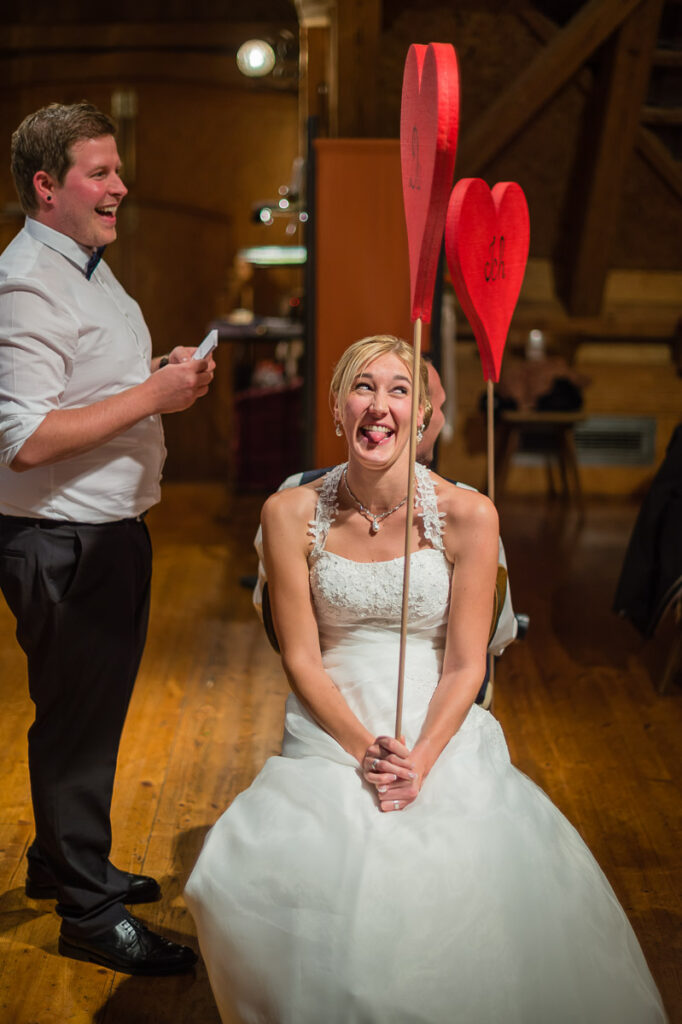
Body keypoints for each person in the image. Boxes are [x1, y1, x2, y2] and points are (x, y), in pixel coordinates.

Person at [186, 336, 666, 1023]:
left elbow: (469, 663)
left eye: (400, 390)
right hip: (333, 716)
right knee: (283, 867)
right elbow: (301, 659)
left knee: (442, 870)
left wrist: (419, 761)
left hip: (439, 717)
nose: (379, 405)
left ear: (425, 420)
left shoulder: (470, 516)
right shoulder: (288, 514)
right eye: (363, 387)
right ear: (334, 409)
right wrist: (365, 750)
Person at [0, 102, 214, 975]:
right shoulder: (27, 281)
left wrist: (153, 376)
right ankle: (89, 917)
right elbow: (24, 439)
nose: (120, 186)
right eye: (100, 171)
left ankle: (60, 865)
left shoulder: (86, 267)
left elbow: (86, 387)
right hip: (63, 541)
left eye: (117, 170)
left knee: (82, 717)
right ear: (48, 187)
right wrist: (151, 400)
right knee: (80, 732)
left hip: (105, 533)